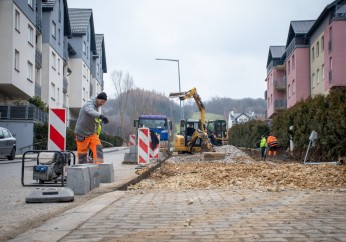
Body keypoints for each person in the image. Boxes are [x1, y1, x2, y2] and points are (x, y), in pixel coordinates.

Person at [75, 92, 109, 164]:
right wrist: (100, 116)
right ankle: (82, 170)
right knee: (82, 155)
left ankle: (99, 167)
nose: (102, 104)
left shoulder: (95, 106)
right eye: (102, 102)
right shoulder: (89, 104)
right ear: (98, 99)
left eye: (104, 103)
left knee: (98, 149)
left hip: (91, 133)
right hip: (82, 133)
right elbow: (89, 111)